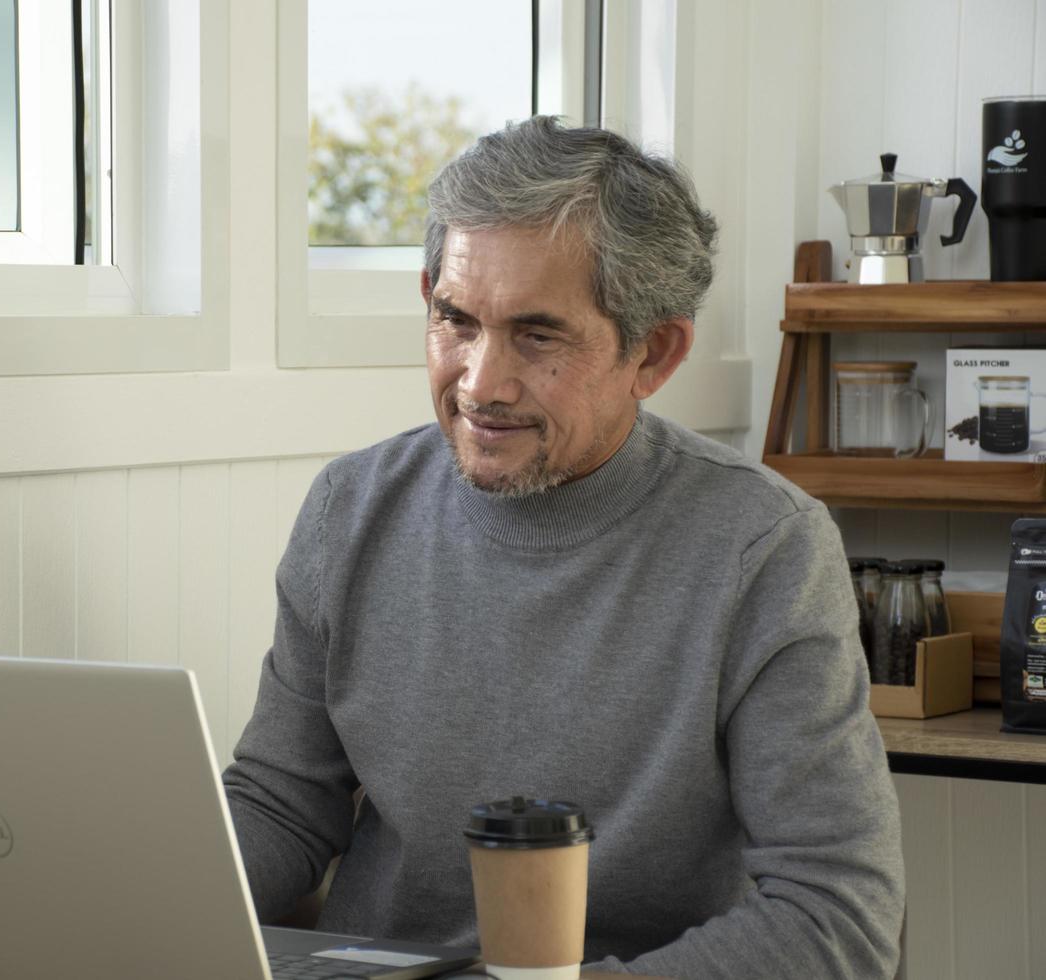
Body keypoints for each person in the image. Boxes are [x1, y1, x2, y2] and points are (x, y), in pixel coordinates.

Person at [222, 118, 904, 979]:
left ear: (653, 353)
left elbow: (836, 918)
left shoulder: (764, 549)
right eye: (455, 320)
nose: (479, 383)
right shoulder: (349, 510)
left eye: (537, 337)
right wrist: (122, 904)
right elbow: (282, 806)